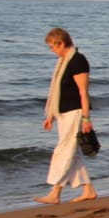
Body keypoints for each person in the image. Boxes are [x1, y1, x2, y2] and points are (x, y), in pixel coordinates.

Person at [35, 27, 97, 204]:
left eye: (52, 47)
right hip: (63, 113)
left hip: (75, 112)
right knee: (72, 152)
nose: (51, 51)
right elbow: (58, 92)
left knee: (63, 151)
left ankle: (55, 192)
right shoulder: (63, 61)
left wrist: (86, 118)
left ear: (61, 43)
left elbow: (83, 92)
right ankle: (88, 190)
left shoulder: (78, 61)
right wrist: (51, 116)